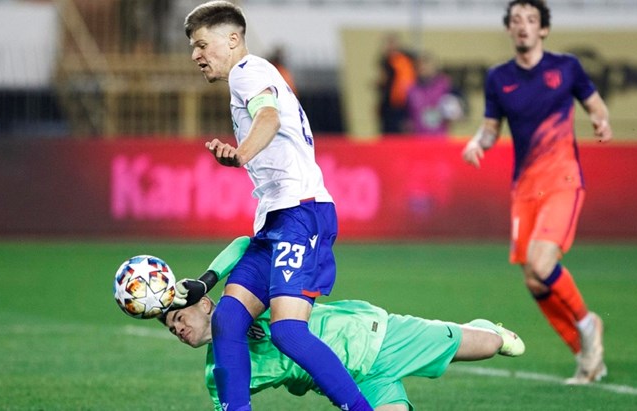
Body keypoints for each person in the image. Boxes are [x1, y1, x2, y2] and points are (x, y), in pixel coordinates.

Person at [181, 2, 372, 410]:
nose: (196, 55)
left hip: (300, 213)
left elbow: (267, 118)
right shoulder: (252, 75)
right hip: (276, 218)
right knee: (228, 319)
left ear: (232, 40)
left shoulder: (247, 73)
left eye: (201, 45)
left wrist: (241, 153)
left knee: (288, 332)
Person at [161, 236, 525, 410]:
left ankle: (487, 328)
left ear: (205, 304)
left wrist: (208, 275)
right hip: (349, 383)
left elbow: (246, 244)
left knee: (489, 347)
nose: (177, 328)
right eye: (170, 327)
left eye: (179, 316)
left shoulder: (248, 301)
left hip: (375, 339)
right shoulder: (218, 372)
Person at [461, 0, 612, 385]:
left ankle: (587, 324)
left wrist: (600, 120)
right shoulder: (499, 78)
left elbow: (596, 106)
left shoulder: (566, 68)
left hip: (563, 180)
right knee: (533, 279)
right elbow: (491, 127)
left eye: (531, 19)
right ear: (510, 30)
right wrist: (479, 141)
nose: (523, 26)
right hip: (525, 189)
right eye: (516, 20)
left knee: (543, 264)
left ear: (543, 29)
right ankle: (585, 355)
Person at [405, 52, 465, 136]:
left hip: (440, 138)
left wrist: (456, 114)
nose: (423, 68)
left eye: (426, 65)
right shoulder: (411, 88)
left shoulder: (446, 85)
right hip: (418, 138)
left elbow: (461, 110)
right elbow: (405, 114)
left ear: (434, 67)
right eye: (420, 66)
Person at [377, 34, 417, 134]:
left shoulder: (406, 59)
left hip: (405, 103)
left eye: (392, 43)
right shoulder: (386, 60)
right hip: (390, 105)